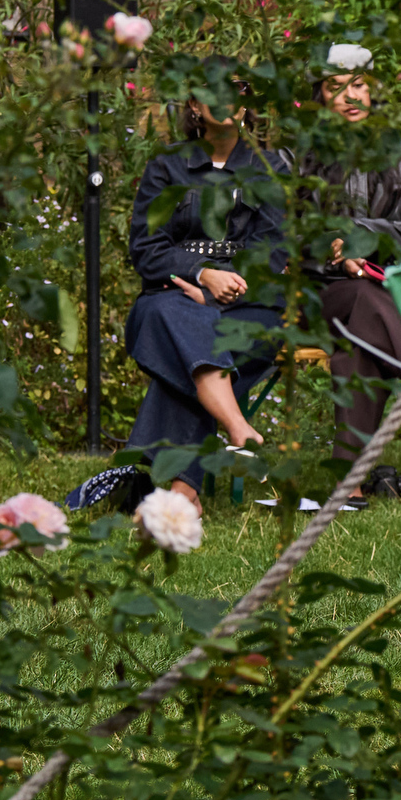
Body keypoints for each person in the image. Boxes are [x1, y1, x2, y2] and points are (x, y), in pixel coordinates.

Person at [113, 67, 287, 506]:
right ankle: (235, 426)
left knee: (188, 355)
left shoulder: (270, 170)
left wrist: (212, 293)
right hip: (166, 303)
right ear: (195, 105)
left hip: (249, 309)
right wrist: (201, 273)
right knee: (183, 322)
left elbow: (274, 253)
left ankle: (179, 489)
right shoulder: (166, 168)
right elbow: (147, 250)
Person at [305, 44, 401, 461]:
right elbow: (292, 233)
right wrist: (334, 252)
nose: (350, 98)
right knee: (363, 301)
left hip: (390, 291)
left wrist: (355, 240)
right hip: (322, 295)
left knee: (361, 335)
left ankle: (349, 480)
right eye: (336, 88)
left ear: (373, 92)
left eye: (359, 86)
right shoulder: (304, 158)